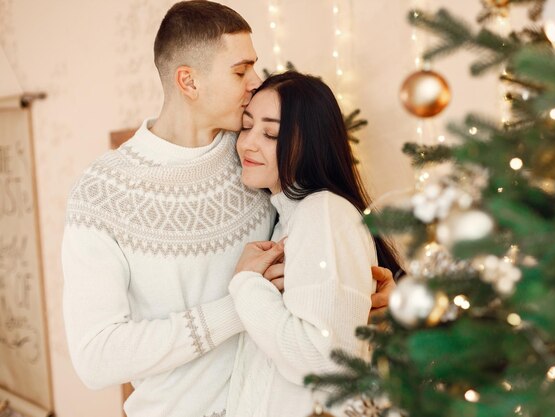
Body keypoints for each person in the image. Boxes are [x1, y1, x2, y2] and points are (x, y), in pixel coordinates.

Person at [61, 2, 395, 417]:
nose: (256, 82)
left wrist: (366, 296)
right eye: (241, 71)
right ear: (188, 81)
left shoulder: (254, 162)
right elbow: (96, 358)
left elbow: (322, 248)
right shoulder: (102, 193)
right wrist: (237, 305)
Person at [225, 71, 403, 417]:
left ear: (309, 142)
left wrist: (245, 284)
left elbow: (325, 360)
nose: (247, 143)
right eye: (247, 127)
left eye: (271, 133)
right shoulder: (288, 219)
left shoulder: (323, 211)